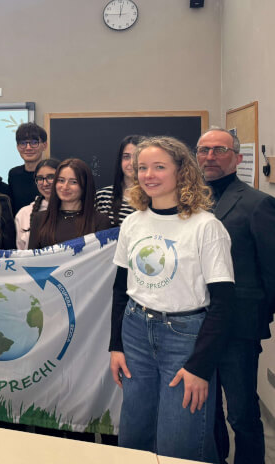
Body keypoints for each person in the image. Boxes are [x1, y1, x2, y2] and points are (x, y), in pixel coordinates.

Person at [109, 136, 234, 462]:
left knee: (180, 441)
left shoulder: (206, 226)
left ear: (182, 171)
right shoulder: (133, 222)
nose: (148, 175)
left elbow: (223, 303)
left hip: (186, 338)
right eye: (142, 168)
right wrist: (116, 345)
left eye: (159, 167)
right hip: (135, 332)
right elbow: (121, 289)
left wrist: (200, 367)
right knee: (134, 435)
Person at [196, 128, 275, 464]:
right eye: (204, 150)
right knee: (206, 410)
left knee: (241, 413)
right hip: (195, 325)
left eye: (220, 150)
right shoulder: (189, 203)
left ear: (238, 157)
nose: (210, 157)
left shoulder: (258, 204)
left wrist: (258, 318)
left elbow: (271, 270)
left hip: (238, 328)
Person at [27, 158, 111, 249]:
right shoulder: (39, 219)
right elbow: (32, 256)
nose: (65, 187)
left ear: (85, 186)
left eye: (73, 182)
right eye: (61, 180)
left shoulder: (100, 221)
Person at [96, 135, 143, 226]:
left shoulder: (153, 198)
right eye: (126, 157)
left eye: (137, 157)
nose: (131, 163)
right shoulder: (102, 197)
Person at [15, 158, 60, 250]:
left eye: (51, 177)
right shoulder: (24, 213)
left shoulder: (72, 210)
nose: (45, 183)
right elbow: (21, 251)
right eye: (40, 178)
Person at [8, 122, 48, 215]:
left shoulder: (54, 173)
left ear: (45, 145)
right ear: (17, 147)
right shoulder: (14, 174)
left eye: (34, 143)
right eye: (23, 143)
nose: (28, 148)